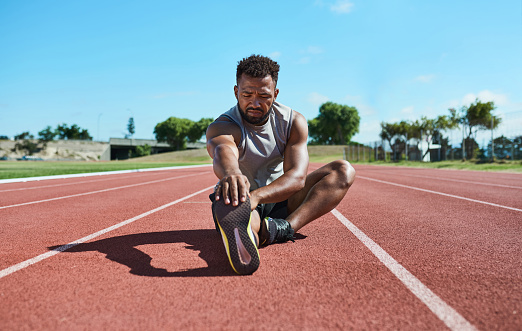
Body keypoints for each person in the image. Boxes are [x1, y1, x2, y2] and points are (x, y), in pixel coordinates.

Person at [206, 54, 356, 275]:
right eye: (247, 94)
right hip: (242, 199)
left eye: (264, 96)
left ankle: (285, 228)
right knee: (242, 216)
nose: (254, 103)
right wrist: (232, 174)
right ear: (236, 91)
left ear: (275, 94)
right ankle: (249, 232)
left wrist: (256, 198)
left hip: (280, 197)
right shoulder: (223, 126)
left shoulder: (293, 121)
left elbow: (297, 177)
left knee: (343, 170)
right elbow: (223, 151)